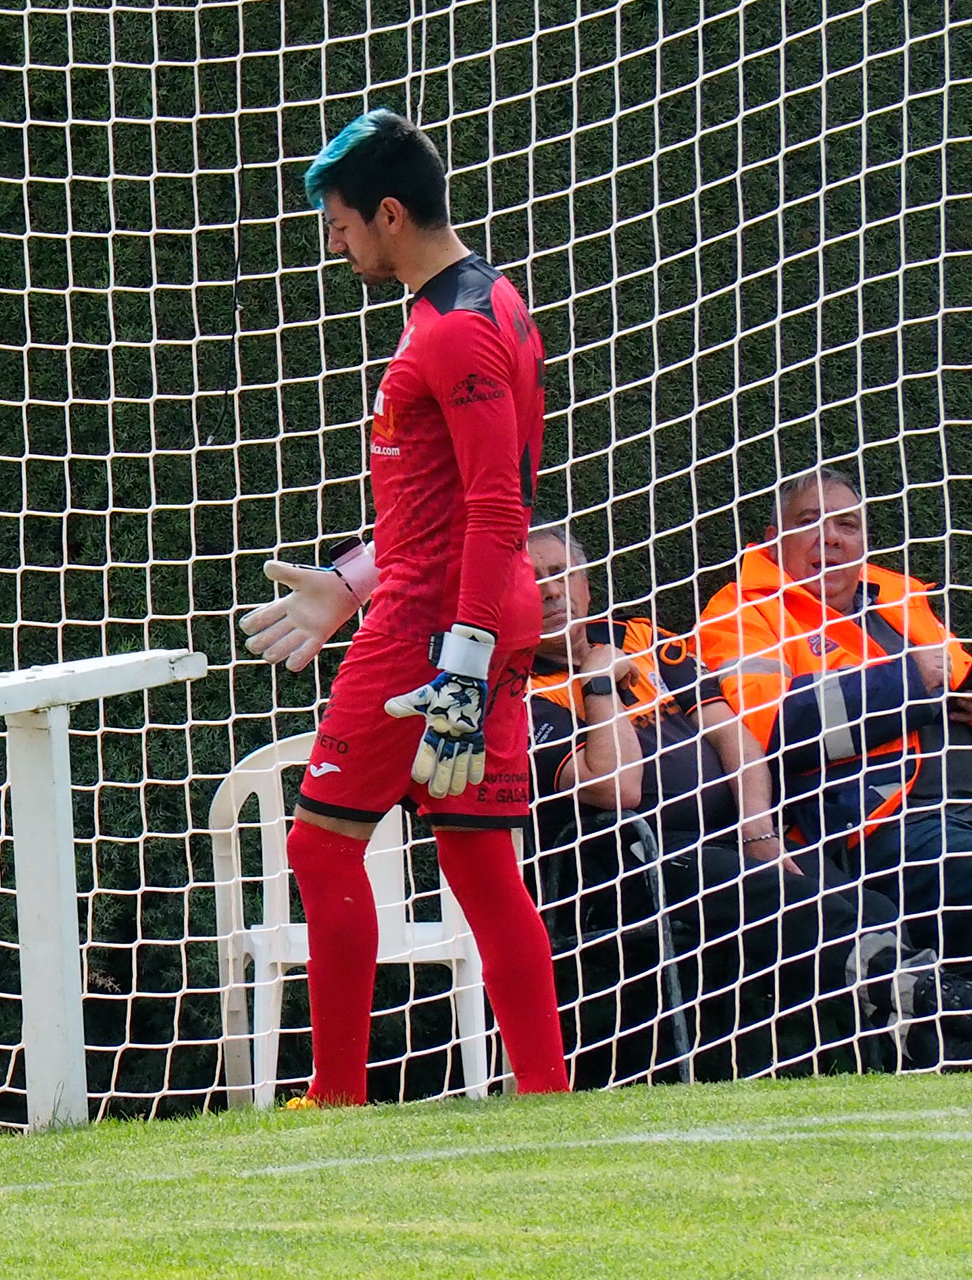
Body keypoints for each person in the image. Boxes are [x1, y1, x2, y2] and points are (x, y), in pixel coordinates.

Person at [240, 109, 568, 1106]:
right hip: (465, 614)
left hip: (437, 627)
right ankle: (549, 1104)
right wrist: (350, 577)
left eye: (341, 223)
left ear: (389, 213)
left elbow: (496, 503)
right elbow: (443, 499)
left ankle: (335, 1096)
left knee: (320, 841)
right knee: (476, 861)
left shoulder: (457, 330)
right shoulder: (491, 302)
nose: (334, 243)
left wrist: (458, 657)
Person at [527, 526, 970, 1064]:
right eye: (533, 579)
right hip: (630, 862)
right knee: (797, 906)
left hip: (729, 836)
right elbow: (620, 787)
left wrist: (758, 827)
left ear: (586, 584)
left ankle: (925, 1035)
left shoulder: (640, 637)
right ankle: (928, 1002)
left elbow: (732, 733)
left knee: (858, 899)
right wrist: (597, 682)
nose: (551, 591)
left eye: (561, 575)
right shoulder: (513, 691)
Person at [696, 468, 972, 963]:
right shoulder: (741, 613)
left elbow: (955, 672)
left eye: (846, 524)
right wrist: (906, 681)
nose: (830, 538)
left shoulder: (895, 596)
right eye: (810, 521)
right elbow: (776, 728)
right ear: (774, 540)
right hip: (881, 824)